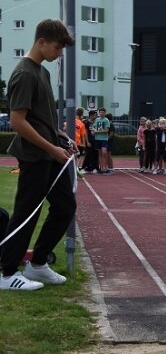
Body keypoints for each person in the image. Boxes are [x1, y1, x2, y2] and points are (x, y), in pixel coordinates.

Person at [0, 18, 76, 291]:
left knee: (65, 207)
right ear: (41, 42)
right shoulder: (24, 73)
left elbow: (41, 118)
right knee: (27, 213)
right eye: (57, 48)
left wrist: (61, 136)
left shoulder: (42, 72)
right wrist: (51, 147)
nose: (59, 54)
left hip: (49, 152)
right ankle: (7, 274)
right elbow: (18, 121)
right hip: (34, 155)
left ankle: (38, 264)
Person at [92, 107, 110, 173]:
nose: (101, 113)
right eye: (100, 112)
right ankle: (101, 167)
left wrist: (97, 132)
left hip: (104, 139)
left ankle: (105, 167)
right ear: (99, 113)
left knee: (104, 153)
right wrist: (94, 130)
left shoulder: (106, 120)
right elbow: (93, 127)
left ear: (105, 113)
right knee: (99, 153)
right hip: (97, 139)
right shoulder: (97, 119)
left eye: (103, 112)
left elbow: (106, 130)